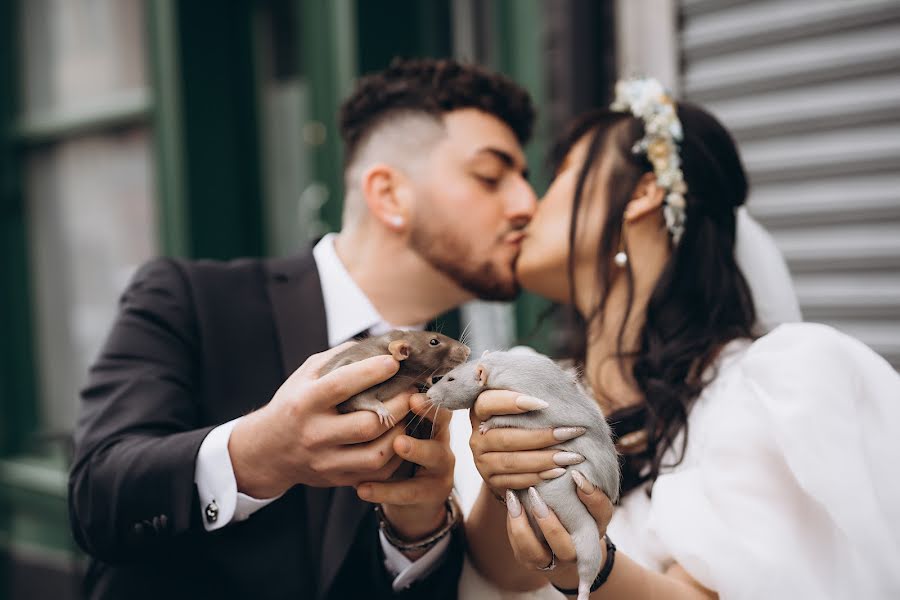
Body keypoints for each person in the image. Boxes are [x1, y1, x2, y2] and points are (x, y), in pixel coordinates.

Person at [67, 58, 538, 599]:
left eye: (525, 181)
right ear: (389, 195)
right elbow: (96, 502)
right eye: (491, 177)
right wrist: (258, 453)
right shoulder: (188, 299)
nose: (528, 204)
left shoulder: (466, 380)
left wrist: (417, 533)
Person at [458, 78, 900, 599]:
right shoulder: (531, 386)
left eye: (563, 174)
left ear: (643, 193)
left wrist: (592, 568)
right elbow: (499, 579)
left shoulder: (770, 392)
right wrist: (505, 477)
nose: (528, 207)